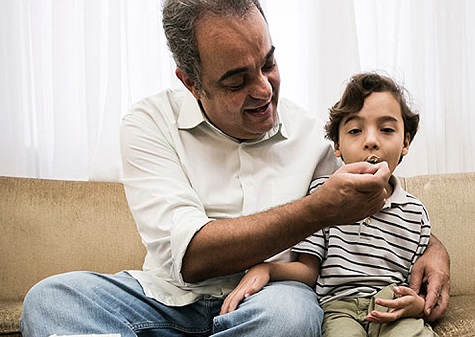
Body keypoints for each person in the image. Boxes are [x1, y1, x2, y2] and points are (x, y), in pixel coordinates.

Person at [20, 1, 449, 336]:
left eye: (268, 63)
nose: (264, 89)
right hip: (167, 299)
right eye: (236, 79)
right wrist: (318, 209)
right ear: (191, 81)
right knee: (49, 300)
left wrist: (431, 247)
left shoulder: (316, 138)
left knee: (292, 318)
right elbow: (191, 257)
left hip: (268, 301)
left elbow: (372, 208)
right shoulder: (148, 124)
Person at [221, 72, 438, 337]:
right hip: (337, 308)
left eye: (387, 129)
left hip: (393, 306)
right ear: (337, 145)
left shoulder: (415, 212)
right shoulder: (322, 199)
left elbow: (418, 284)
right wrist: (267, 268)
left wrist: (417, 304)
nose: (371, 140)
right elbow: (307, 271)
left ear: (405, 142)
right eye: (355, 130)